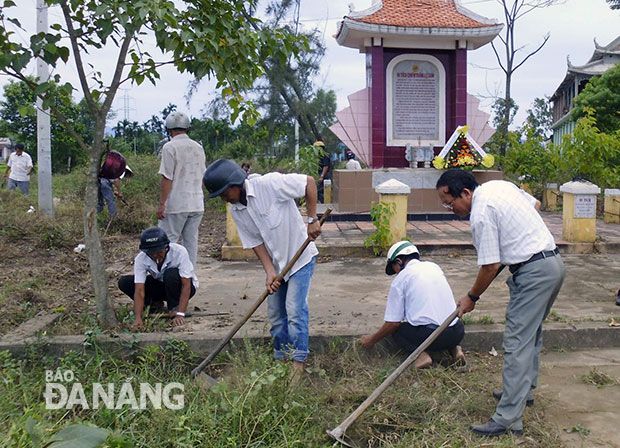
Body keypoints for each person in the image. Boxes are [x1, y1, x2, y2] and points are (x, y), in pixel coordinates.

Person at [436, 169, 565, 437]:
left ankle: (508, 419)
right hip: (552, 263)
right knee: (532, 334)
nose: (450, 209)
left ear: (466, 193)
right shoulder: (499, 187)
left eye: (450, 203)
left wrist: (471, 297)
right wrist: (519, 238)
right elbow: (535, 205)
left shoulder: (481, 213)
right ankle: (523, 392)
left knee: (517, 341)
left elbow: (490, 265)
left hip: (533, 273)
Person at [203, 159, 321, 377]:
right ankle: (280, 361)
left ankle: (298, 364)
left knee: (295, 310)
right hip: (277, 265)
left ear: (235, 185)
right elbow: (255, 242)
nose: (224, 199)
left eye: (223, 193)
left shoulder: (270, 185)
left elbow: (309, 182)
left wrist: (312, 219)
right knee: (276, 315)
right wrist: (270, 272)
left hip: (299, 258)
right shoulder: (237, 210)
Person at [359, 241, 465, 369]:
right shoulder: (434, 267)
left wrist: (371, 340)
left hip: (430, 338)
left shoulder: (401, 279)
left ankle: (422, 357)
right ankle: (456, 350)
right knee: (447, 318)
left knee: (397, 330)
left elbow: (393, 323)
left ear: (398, 261)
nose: (396, 272)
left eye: (394, 267)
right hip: (457, 332)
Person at [118, 227, 197, 329]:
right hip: (161, 286)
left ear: (166, 247)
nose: (155, 255)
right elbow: (139, 290)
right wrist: (138, 318)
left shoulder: (179, 252)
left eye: (159, 252)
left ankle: (174, 306)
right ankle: (153, 304)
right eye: (151, 253)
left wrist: (180, 313)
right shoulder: (141, 259)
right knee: (125, 282)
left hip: (179, 288)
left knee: (171, 274)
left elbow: (186, 285)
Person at [157, 111, 206, 268]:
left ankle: (166, 278)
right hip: (196, 204)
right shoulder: (198, 148)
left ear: (169, 131)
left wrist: (162, 203)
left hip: (176, 204)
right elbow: (203, 178)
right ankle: (189, 279)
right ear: (187, 129)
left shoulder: (169, 147)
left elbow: (167, 178)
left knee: (167, 242)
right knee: (190, 243)